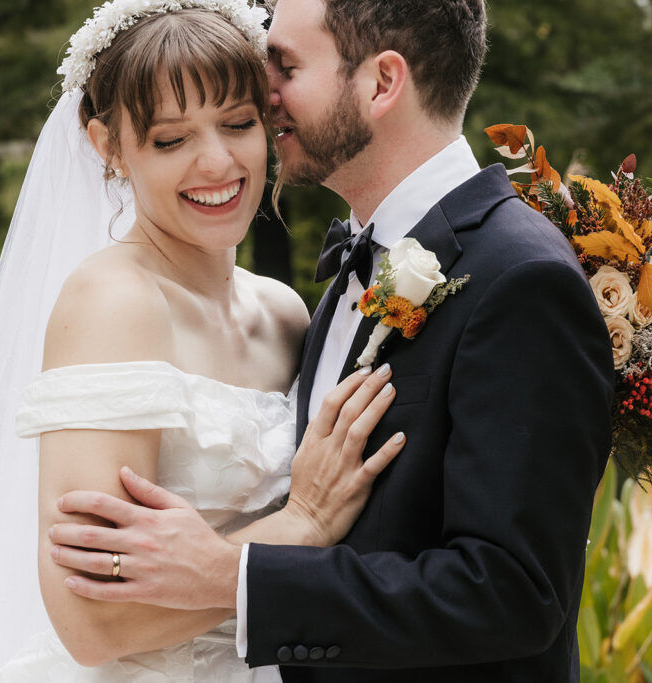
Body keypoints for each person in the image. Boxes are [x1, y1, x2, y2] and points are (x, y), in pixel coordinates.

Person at [51, 0, 616, 681]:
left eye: (284, 66)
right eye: (172, 138)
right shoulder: (340, 282)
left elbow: (515, 589)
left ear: (381, 83)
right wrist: (295, 528)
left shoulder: (516, 276)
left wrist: (239, 571)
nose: (266, 93)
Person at [0, 1, 407, 681]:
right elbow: (92, 624)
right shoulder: (112, 304)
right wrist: (298, 527)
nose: (216, 162)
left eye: (238, 124)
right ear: (108, 147)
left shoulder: (286, 312)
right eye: (170, 140)